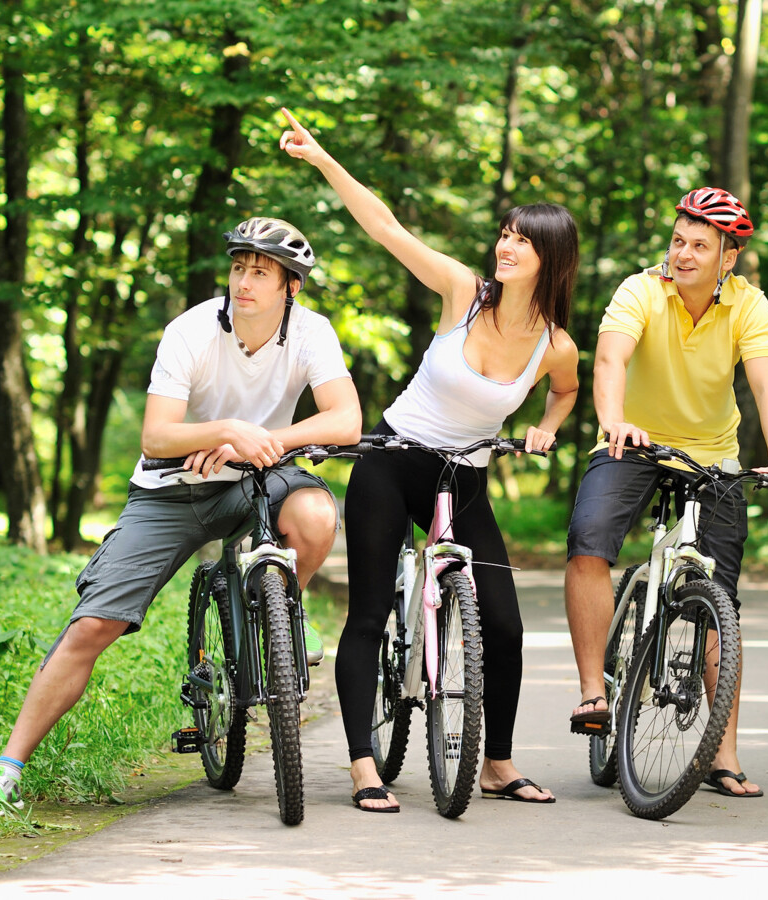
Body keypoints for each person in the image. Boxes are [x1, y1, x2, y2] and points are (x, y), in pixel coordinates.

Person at [0, 217, 362, 810]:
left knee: (313, 513)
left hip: (257, 476)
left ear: (291, 287)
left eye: (261, 272)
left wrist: (254, 441)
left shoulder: (311, 332)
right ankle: (6, 768)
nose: (244, 281)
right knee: (93, 625)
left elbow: (346, 421)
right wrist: (226, 429)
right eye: (238, 268)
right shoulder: (192, 331)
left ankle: (284, 614)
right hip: (170, 490)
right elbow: (157, 436)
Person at [278, 109, 580, 813]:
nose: (505, 246)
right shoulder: (461, 292)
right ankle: (363, 766)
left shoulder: (554, 343)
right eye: (504, 234)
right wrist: (323, 159)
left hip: (464, 478)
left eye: (521, 240)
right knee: (368, 613)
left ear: (551, 258)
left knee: (504, 625)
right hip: (393, 461)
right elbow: (385, 227)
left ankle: (497, 764)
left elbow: (565, 393)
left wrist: (546, 427)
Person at [563, 187, 768, 799]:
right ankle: (594, 691)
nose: (684, 254)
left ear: (728, 259)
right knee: (590, 542)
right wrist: (614, 421)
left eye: (700, 246)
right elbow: (610, 362)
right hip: (633, 440)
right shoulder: (641, 289)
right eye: (678, 241)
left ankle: (723, 753)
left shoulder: (748, 305)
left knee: (723, 598)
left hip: (712, 453)